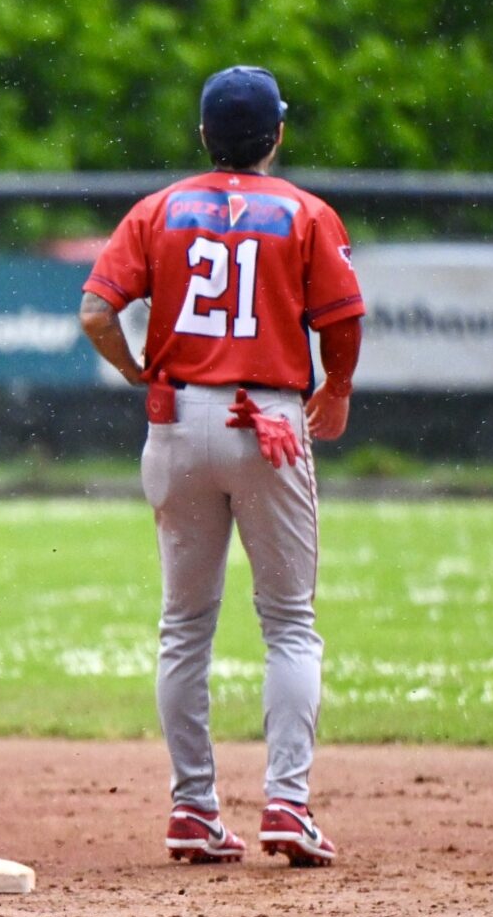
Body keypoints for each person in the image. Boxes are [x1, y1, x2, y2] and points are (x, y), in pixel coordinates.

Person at [78, 66, 364, 868]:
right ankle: (287, 803)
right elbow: (343, 317)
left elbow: (96, 310)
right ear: (277, 133)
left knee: (184, 627)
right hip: (267, 418)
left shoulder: (158, 209)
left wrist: (137, 366)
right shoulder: (305, 212)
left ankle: (194, 810)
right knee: (289, 624)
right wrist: (336, 389)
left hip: (176, 417)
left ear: (205, 134)